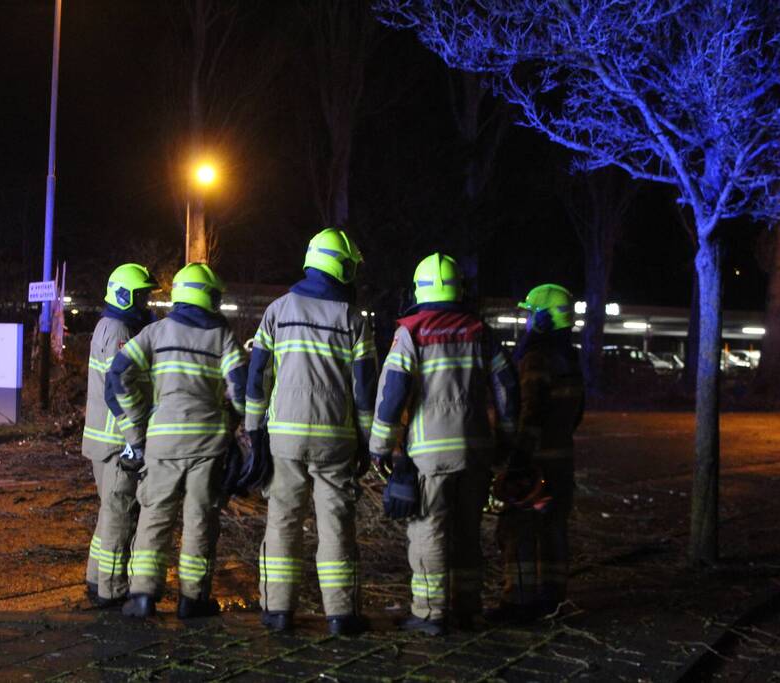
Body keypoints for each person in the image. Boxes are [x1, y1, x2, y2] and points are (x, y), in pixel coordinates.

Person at [369, 252, 519, 635]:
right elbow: (507, 387)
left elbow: (392, 392)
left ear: (419, 290)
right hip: (475, 451)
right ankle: (468, 609)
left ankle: (430, 613)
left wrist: (381, 445)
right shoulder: (479, 331)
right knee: (468, 532)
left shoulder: (411, 332)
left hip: (428, 455)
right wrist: (505, 438)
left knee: (428, 531)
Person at [239, 227, 378, 636]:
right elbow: (365, 389)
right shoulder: (353, 320)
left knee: (282, 521)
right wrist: (368, 440)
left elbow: (256, 377)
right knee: (336, 524)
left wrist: (254, 431)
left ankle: (278, 611)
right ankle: (341, 615)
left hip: (284, 436)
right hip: (336, 437)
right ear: (341, 266)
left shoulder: (277, 311)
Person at [106, 263, 247, 619]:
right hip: (208, 444)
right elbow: (242, 390)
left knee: (154, 517)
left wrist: (136, 429)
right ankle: (193, 599)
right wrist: (232, 423)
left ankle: (142, 596)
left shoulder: (155, 332)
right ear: (207, 295)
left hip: (162, 443)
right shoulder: (222, 336)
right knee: (201, 519)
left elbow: (119, 375)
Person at [493, 283, 584, 620]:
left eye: (531, 314)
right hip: (563, 460)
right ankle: (552, 597)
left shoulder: (536, 358)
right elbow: (576, 414)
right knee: (554, 529)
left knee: (518, 529)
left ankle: (518, 601)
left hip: (536, 464)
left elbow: (530, 411)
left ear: (543, 319)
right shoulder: (569, 359)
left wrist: (518, 459)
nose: (528, 321)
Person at [82, 263, 157, 607]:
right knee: (120, 513)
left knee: (109, 512)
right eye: (141, 296)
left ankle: (96, 579)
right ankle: (111, 589)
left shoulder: (108, 325)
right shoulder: (119, 329)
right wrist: (136, 439)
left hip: (106, 438)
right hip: (118, 441)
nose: (146, 302)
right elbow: (120, 387)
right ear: (124, 295)